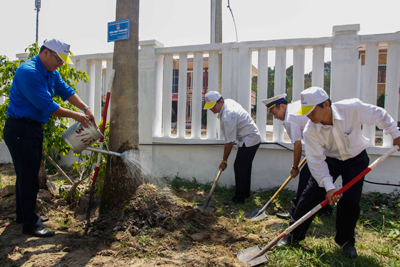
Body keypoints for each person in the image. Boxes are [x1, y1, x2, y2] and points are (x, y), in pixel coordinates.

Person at [278, 87, 400, 259]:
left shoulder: (351, 108)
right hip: (330, 160)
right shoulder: (310, 130)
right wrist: (328, 187)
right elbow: (316, 162)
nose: (308, 117)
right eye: (305, 112)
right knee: (311, 195)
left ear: (326, 104)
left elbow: (379, 114)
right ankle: (293, 235)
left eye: (311, 111)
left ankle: (346, 241)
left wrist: (395, 133)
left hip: (356, 159)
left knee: (351, 201)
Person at [4, 39, 96, 238]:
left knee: (26, 173)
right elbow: (47, 106)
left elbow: (67, 92)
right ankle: (30, 223)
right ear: (46, 53)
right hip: (20, 128)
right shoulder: (29, 72)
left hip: (31, 128)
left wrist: (85, 108)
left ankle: (24, 215)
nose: (61, 64)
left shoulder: (51, 72)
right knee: (28, 176)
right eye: (59, 59)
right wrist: (78, 116)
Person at [261, 94, 332, 220]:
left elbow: (297, 145)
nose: (275, 117)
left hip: (324, 147)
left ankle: (295, 212)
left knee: (305, 177)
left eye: (274, 112)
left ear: (282, 106)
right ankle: (325, 209)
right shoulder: (295, 107)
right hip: (324, 145)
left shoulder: (290, 118)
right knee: (316, 178)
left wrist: (295, 167)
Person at [204, 91, 261, 205]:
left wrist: (224, 160)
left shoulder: (227, 116)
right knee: (244, 166)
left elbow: (229, 142)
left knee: (239, 167)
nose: (211, 109)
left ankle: (239, 199)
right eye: (209, 107)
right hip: (251, 137)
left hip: (249, 139)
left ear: (221, 101)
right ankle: (245, 194)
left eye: (213, 106)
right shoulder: (228, 102)